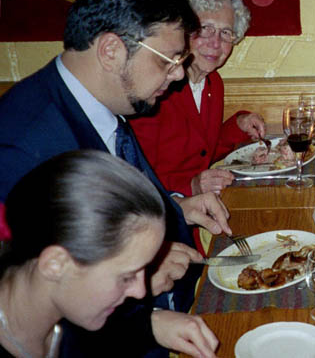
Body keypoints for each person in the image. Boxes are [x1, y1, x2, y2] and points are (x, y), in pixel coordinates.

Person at [0, 0, 232, 354]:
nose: (178, 75)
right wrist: (143, 316)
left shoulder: (105, 105)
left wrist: (177, 206)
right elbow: (27, 306)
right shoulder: (21, 144)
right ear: (111, 50)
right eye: (168, 60)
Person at [0, 150, 219, 358]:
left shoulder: (69, 308)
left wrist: (151, 324)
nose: (141, 292)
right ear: (55, 264)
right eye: (126, 277)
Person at [131, 0, 266, 197]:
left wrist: (239, 125)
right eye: (205, 29)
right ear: (182, 32)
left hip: (201, 205)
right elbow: (134, 176)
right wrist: (191, 187)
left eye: (225, 32)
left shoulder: (213, 82)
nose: (216, 43)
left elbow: (202, 153)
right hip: (163, 211)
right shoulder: (156, 88)